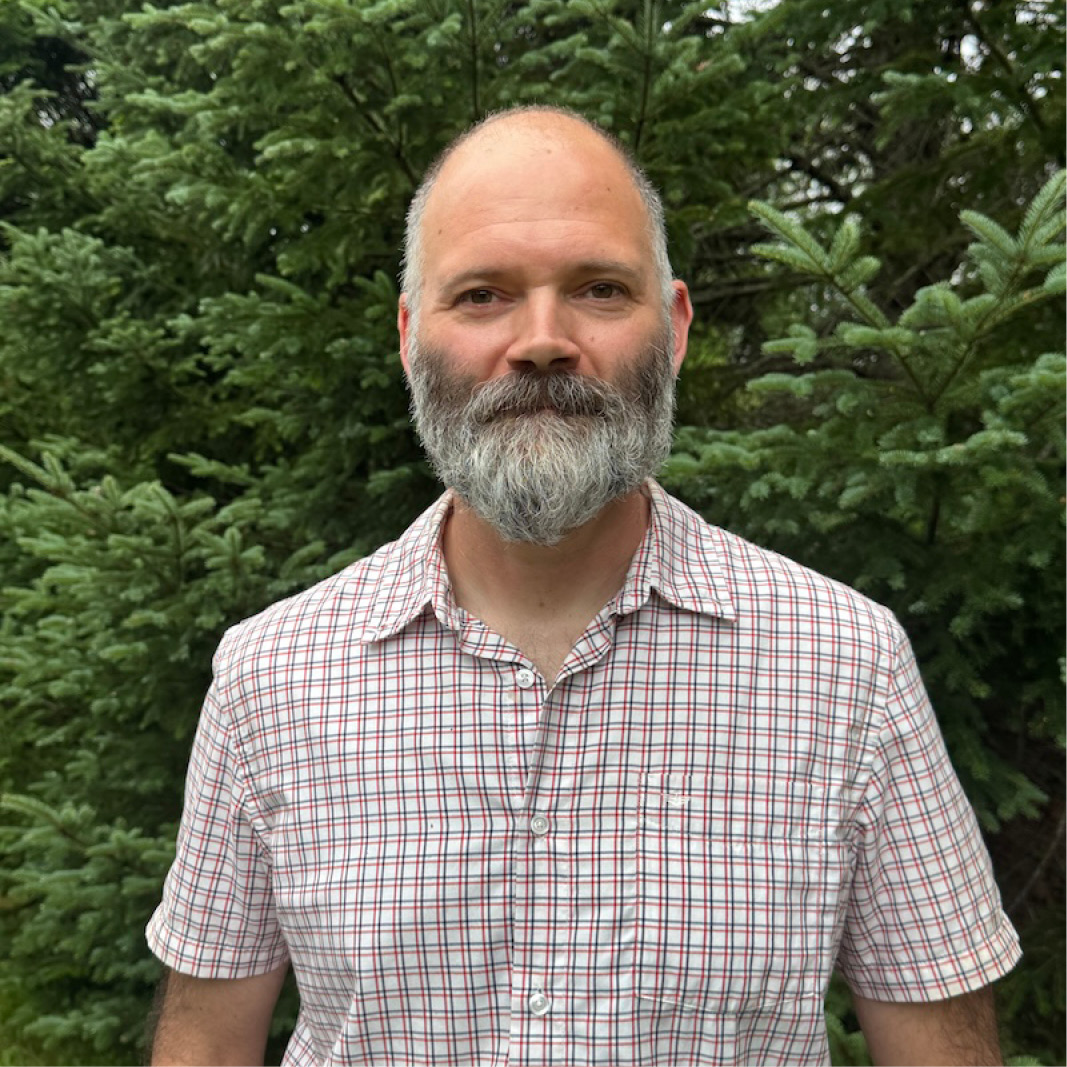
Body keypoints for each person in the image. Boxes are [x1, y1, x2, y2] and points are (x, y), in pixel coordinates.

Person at [146, 106, 1021, 1067]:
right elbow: (205, 1042)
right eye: (481, 294)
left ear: (675, 327)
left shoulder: (845, 663)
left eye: (599, 289)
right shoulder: (271, 675)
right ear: (408, 336)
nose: (542, 340)